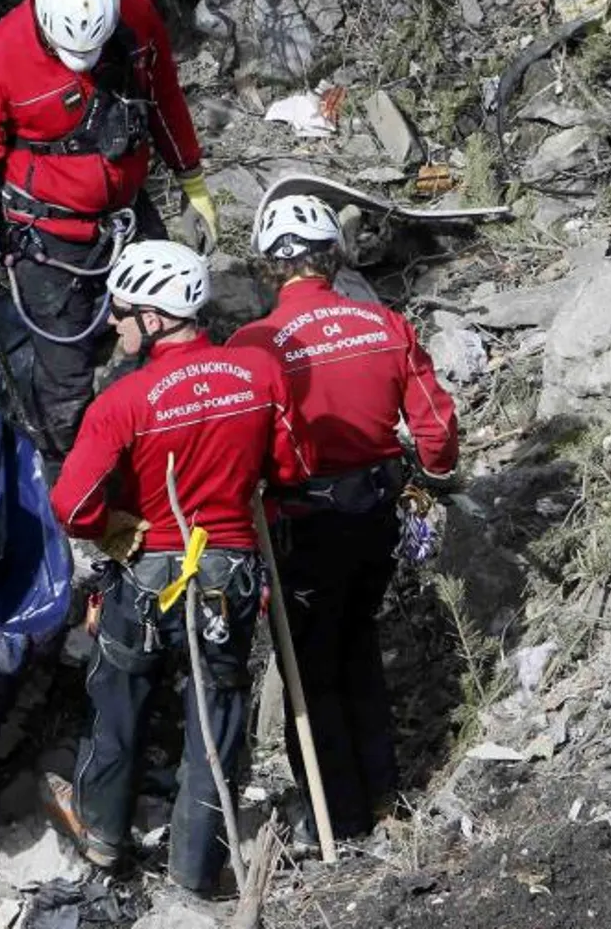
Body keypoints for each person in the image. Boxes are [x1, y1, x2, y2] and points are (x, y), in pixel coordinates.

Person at [39, 240, 311, 896]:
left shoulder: (124, 401)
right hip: (229, 572)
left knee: (119, 702)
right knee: (216, 715)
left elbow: (71, 504)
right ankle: (196, 869)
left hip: (144, 572)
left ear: (154, 319)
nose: (112, 322)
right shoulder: (258, 374)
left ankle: (104, 839)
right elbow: (291, 470)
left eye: (122, 311)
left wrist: (113, 527)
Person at [227, 195, 459, 845]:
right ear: (332, 258)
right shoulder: (383, 323)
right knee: (357, 640)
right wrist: (435, 474)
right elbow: (436, 428)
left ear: (273, 268)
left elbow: (238, 450)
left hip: (301, 523)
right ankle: (383, 788)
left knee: (313, 664)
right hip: (375, 513)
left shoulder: (254, 345)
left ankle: (342, 816)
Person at [0, 0, 219, 462]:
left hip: (126, 216)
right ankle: (72, 478)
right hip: (47, 236)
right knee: (65, 373)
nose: (86, 65)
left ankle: (173, 448)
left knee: (170, 332)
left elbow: (163, 95)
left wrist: (193, 180)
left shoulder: (133, 13)